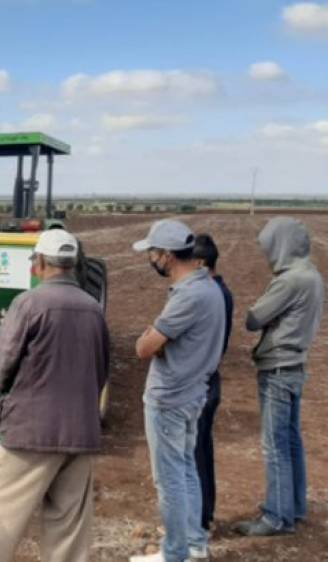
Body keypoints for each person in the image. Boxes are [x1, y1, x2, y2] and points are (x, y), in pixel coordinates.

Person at [0, 229, 109, 562]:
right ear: (73, 265)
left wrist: (9, 394)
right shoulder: (93, 308)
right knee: (68, 532)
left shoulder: (29, 303)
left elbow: (2, 365)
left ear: (40, 262)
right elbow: (99, 372)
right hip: (81, 434)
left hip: (30, 434)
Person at [130, 219, 225, 562]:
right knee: (186, 470)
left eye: (152, 252)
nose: (150, 258)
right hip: (193, 392)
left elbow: (143, 347)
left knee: (170, 480)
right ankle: (194, 543)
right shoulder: (209, 287)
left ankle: (174, 553)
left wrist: (152, 339)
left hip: (171, 398)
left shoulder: (189, 295)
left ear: (167, 256)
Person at [233, 217, 324, 537]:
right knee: (291, 441)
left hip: (277, 368)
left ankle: (276, 518)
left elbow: (253, 319)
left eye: (270, 247)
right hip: (296, 365)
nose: (268, 254)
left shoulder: (289, 281)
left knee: (275, 446)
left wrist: (254, 308)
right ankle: (294, 507)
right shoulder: (312, 274)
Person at [190, 234, 233, 532]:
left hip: (200, 381)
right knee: (202, 450)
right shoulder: (222, 292)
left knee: (195, 455)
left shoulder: (210, 295)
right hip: (210, 378)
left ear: (202, 263)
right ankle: (204, 515)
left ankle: (198, 522)